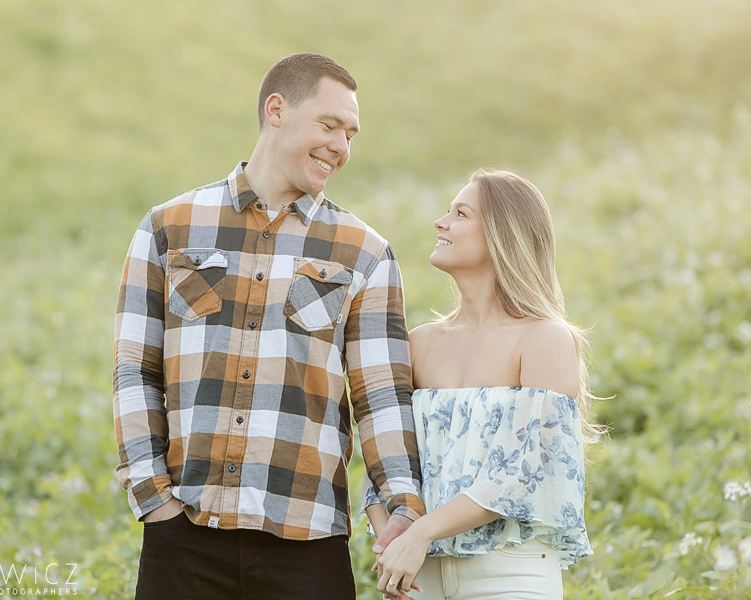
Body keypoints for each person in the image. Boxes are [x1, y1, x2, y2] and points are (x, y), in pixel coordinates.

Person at [112, 53, 425, 600]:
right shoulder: (168, 228)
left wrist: (402, 508)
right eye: (329, 125)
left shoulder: (366, 253)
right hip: (184, 534)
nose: (341, 147)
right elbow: (135, 369)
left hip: (308, 544)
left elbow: (381, 397)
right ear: (275, 110)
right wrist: (155, 499)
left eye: (350, 134)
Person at [365, 169, 596, 600]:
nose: (441, 222)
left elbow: (520, 471)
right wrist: (391, 543)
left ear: (501, 236)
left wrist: (421, 533)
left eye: (460, 213)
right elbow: (386, 456)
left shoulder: (544, 339)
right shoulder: (418, 344)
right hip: (417, 573)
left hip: (510, 571)